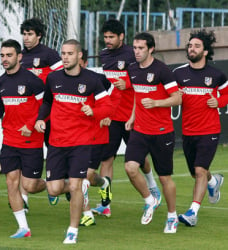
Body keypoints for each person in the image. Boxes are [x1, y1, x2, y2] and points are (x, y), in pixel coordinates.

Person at [35, 39, 113, 244]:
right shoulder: (53, 78)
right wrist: (40, 120)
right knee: (53, 188)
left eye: (70, 53)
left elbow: (108, 107)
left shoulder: (92, 80)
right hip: (57, 143)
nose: (65, 57)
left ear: (79, 56)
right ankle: (84, 186)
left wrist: (94, 111)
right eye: (63, 53)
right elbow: (47, 102)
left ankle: (72, 230)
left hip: (81, 143)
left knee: (76, 185)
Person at [91, 19, 161, 218]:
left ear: (121, 37)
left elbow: (144, 75)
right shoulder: (104, 55)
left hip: (132, 115)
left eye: (111, 37)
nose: (108, 41)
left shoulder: (133, 54)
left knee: (139, 160)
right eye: (105, 37)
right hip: (112, 116)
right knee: (106, 159)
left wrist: (128, 84)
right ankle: (105, 203)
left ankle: (152, 186)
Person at [0, 39, 46, 238]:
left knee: (29, 185)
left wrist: (33, 124)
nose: (5, 59)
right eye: (2, 55)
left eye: (9, 55)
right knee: (11, 182)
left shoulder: (32, 80)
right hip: (9, 141)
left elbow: (47, 105)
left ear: (19, 57)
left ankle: (55, 185)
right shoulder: (0, 81)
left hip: (31, 141)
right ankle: (23, 228)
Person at [124, 32, 181, 233]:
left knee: (165, 178)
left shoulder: (162, 70)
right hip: (140, 130)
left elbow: (177, 98)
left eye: (140, 48)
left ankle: (172, 216)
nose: (136, 51)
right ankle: (150, 200)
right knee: (130, 168)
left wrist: (156, 102)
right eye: (135, 48)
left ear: (151, 49)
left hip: (162, 132)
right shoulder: (132, 69)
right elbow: (137, 96)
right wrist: (132, 117)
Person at [173, 29, 227, 227]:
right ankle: (214, 182)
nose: (192, 49)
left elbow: (226, 94)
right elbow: (170, 96)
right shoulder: (178, 73)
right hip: (188, 131)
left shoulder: (216, 75)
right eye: (190, 45)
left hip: (210, 131)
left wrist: (219, 102)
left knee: (200, 169)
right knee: (197, 173)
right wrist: (175, 95)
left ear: (205, 52)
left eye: (196, 46)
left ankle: (192, 212)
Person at [19, 18, 63, 209]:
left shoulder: (50, 55)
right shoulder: (20, 57)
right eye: (24, 34)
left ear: (39, 35)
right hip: (28, 116)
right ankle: (24, 200)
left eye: (30, 34)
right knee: (23, 155)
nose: (26, 38)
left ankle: (56, 182)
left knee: (54, 151)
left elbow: (62, 80)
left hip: (50, 114)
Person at [77, 48, 113, 227]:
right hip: (76, 136)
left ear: (84, 62)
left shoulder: (98, 80)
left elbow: (107, 102)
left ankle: (87, 214)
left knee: (84, 178)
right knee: (81, 178)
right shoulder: (63, 79)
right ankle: (104, 183)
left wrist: (103, 113)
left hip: (97, 135)